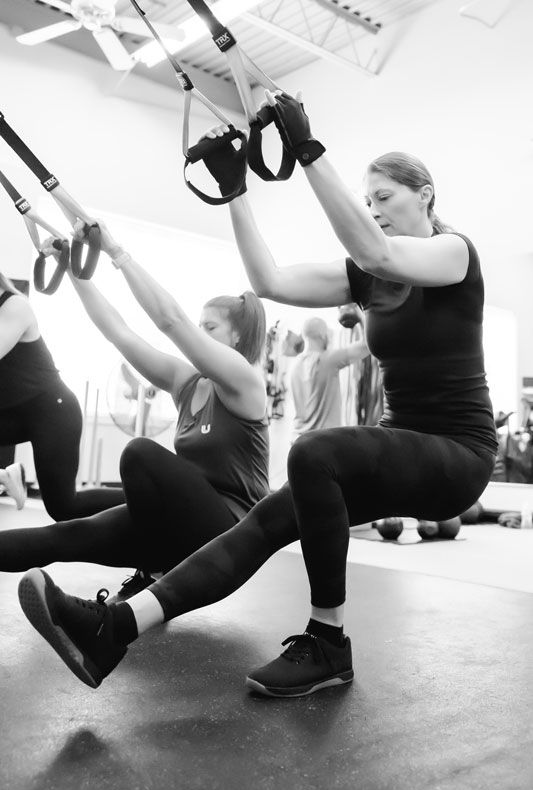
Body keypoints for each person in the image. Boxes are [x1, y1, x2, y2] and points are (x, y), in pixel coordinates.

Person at [17, 99, 497, 699]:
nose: (373, 210)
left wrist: (309, 152)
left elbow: (379, 251)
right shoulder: (366, 274)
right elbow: (269, 282)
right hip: (400, 445)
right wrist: (235, 189)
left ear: (424, 195)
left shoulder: (454, 252)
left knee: (314, 452)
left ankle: (328, 642)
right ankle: (113, 628)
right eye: (367, 200)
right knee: (268, 520)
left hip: (459, 452)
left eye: (384, 198)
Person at [1, 219, 269, 603]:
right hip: (179, 522)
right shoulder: (187, 381)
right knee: (65, 535)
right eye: (199, 326)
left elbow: (170, 321)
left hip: (231, 536)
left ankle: (152, 566)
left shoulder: (245, 383)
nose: (197, 334)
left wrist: (114, 251)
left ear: (238, 336)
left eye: (209, 328)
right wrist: (74, 269)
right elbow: (118, 331)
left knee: (141, 453)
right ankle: (152, 564)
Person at [0, 270, 124, 520]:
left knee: (64, 508)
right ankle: (5, 476)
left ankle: (153, 495)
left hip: (52, 411)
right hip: (14, 413)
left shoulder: (16, 306)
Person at [290, 315, 368, 441]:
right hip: (322, 442)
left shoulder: (294, 365)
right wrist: (360, 315)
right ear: (322, 335)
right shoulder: (327, 360)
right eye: (328, 333)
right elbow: (367, 345)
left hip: (298, 441)